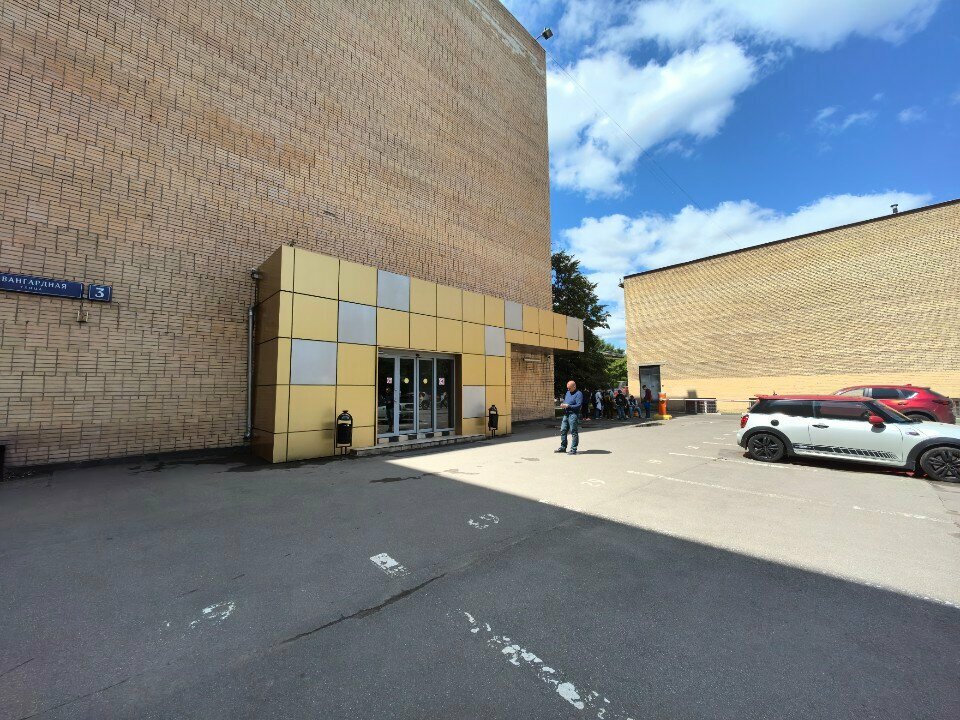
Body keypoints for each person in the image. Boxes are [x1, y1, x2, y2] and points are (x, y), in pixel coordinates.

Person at [556, 380, 582, 455]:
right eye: (567, 388)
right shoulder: (568, 392)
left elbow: (578, 405)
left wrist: (568, 406)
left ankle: (573, 449)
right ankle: (563, 447)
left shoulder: (578, 394)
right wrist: (563, 404)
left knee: (573, 432)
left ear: (574, 386)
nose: (568, 389)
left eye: (569, 388)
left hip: (573, 414)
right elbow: (566, 401)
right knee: (563, 430)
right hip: (566, 414)